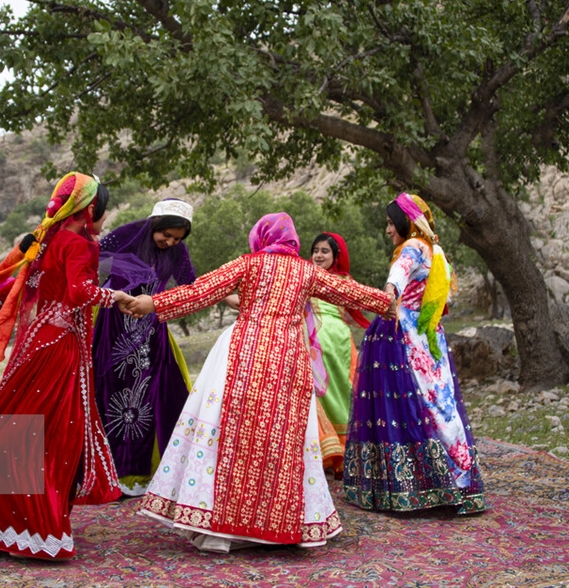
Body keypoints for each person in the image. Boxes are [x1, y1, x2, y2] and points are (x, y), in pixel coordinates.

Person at [124, 213, 394, 552]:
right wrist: (387, 303)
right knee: (281, 441)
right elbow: (349, 291)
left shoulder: (248, 264)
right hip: (288, 360)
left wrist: (152, 303)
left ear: (261, 238)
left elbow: (200, 291)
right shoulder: (306, 271)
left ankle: (226, 526)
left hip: (244, 355)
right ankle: (279, 524)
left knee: (236, 439)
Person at [0, 172, 132, 560]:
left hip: (38, 342)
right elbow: (80, 293)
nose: (104, 219)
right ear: (90, 210)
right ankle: (33, 524)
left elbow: (18, 282)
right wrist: (116, 296)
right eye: (102, 211)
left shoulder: (45, 239)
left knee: (14, 424)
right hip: (61, 350)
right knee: (56, 436)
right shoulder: (78, 245)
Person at [342, 193, 487, 514]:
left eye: (392, 223)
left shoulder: (412, 249)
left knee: (406, 406)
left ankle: (415, 484)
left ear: (407, 222)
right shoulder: (436, 251)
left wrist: (387, 297)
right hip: (429, 335)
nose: (388, 230)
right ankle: (455, 479)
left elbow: (397, 278)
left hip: (403, 336)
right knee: (438, 404)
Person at [93, 198, 196, 496]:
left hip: (151, 330)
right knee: (111, 389)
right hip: (115, 327)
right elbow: (91, 257)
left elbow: (190, 282)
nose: (170, 242)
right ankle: (109, 471)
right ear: (156, 225)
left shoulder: (177, 250)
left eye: (177, 238)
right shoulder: (128, 234)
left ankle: (146, 472)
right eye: (167, 235)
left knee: (156, 394)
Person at [307, 232, 372, 477]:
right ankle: (328, 452)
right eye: (316, 250)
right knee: (317, 395)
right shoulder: (306, 276)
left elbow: (365, 299)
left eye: (325, 251)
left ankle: (346, 452)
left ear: (336, 256)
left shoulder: (343, 280)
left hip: (337, 344)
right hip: (311, 343)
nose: (319, 255)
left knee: (342, 392)